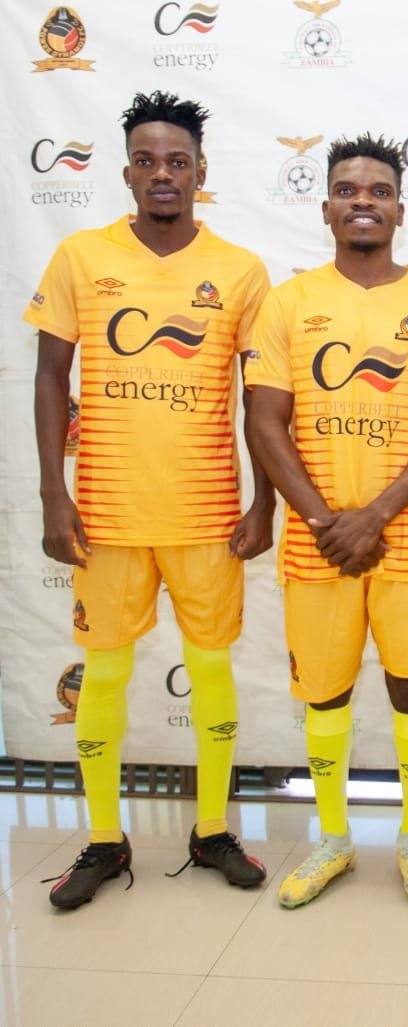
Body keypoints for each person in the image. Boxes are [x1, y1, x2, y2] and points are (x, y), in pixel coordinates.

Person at [28, 91, 273, 909]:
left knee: (210, 670)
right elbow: (49, 377)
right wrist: (52, 492)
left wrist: (264, 501)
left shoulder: (240, 270)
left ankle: (212, 830)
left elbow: (262, 399)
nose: (162, 173)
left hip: (207, 517)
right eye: (146, 160)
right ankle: (104, 838)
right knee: (103, 674)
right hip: (105, 514)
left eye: (177, 161)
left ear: (201, 172)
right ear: (127, 171)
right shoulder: (80, 256)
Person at [245, 134, 408, 909]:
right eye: (347, 190)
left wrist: (374, 514)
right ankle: (334, 837)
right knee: (325, 691)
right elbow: (265, 420)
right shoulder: (289, 302)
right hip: (319, 540)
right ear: (325, 209)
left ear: (401, 209)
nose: (363, 201)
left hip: (403, 534)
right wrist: (323, 519)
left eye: (378, 190)